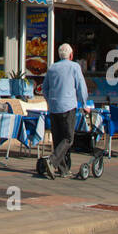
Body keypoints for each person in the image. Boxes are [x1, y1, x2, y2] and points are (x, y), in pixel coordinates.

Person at [38, 42, 90, 180]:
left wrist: (50, 101)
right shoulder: (74, 67)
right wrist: (84, 103)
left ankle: (63, 170)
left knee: (58, 139)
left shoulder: (52, 68)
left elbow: (45, 88)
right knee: (68, 138)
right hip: (68, 107)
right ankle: (52, 160)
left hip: (54, 108)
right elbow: (81, 87)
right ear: (71, 55)